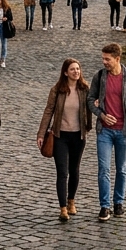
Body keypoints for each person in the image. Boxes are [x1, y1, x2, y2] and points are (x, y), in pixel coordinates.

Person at [90, 43, 126, 222]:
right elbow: (90, 100)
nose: (104, 62)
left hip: (123, 131)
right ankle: (104, 206)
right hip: (104, 131)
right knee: (103, 169)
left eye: (107, 59)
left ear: (117, 59)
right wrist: (102, 115)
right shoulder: (99, 77)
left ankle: (118, 202)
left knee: (122, 169)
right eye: (103, 58)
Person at [38, 58, 93, 222]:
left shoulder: (85, 89)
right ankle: (62, 208)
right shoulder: (57, 90)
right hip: (60, 136)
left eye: (78, 69)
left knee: (74, 170)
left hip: (78, 135)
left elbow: (92, 107)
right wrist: (41, 134)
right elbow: (48, 111)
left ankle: (71, 201)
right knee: (62, 172)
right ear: (65, 72)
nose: (76, 72)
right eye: (72, 69)